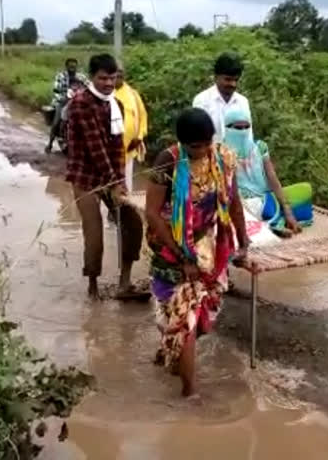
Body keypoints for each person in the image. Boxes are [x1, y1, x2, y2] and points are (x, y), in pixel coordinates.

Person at [145, 108, 250, 397]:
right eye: (194, 146)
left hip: (207, 247)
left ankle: (171, 348)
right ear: (182, 143)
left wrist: (242, 242)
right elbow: (152, 214)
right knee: (186, 322)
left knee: (200, 317)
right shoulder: (168, 161)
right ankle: (189, 393)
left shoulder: (223, 158)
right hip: (169, 248)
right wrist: (183, 257)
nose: (202, 151)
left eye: (206, 144)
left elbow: (234, 202)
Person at [66, 53, 142, 298]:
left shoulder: (115, 105)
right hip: (85, 177)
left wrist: (120, 181)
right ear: (92, 77)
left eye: (112, 78)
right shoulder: (80, 103)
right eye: (103, 78)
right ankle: (93, 287)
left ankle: (124, 283)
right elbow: (96, 147)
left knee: (132, 222)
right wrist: (115, 182)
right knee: (94, 231)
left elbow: (117, 148)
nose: (108, 84)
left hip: (109, 177)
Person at [222, 109, 307, 236]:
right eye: (238, 128)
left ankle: (270, 222)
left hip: (262, 198)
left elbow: (272, 177)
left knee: (304, 190)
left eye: (247, 127)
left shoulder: (260, 147)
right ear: (227, 128)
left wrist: (287, 209)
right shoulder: (220, 151)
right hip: (236, 202)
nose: (243, 131)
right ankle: (269, 225)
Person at [193, 53, 252, 143]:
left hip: (238, 155)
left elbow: (248, 136)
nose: (233, 84)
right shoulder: (202, 101)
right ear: (216, 77)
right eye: (228, 79)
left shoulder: (242, 102)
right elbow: (198, 137)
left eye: (236, 80)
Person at [115, 63, 148, 191]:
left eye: (121, 72)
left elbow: (143, 116)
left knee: (126, 183)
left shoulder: (132, 94)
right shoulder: (105, 93)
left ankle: (124, 208)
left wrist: (139, 137)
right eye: (115, 72)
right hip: (107, 150)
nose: (118, 74)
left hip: (129, 147)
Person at [46, 58, 88, 153]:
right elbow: (56, 90)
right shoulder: (60, 76)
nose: (72, 68)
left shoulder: (81, 77)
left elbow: (89, 86)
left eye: (74, 66)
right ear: (67, 67)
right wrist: (62, 97)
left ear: (76, 67)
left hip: (78, 102)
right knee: (56, 122)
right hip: (63, 101)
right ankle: (50, 143)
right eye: (70, 66)